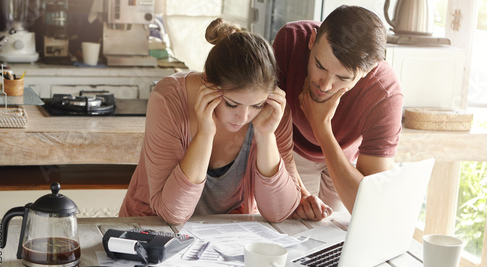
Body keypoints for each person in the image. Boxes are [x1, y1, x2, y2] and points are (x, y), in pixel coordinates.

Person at [119, 18, 301, 225]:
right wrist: (205, 133)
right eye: (232, 104)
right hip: (150, 231)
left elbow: (280, 212)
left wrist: (266, 136)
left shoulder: (273, 110)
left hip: (224, 238)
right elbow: (172, 213)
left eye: (256, 106)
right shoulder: (169, 98)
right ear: (207, 83)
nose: (243, 117)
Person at [273, 5, 403, 220]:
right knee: (290, 223)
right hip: (290, 147)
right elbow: (268, 132)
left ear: (368, 70)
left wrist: (321, 127)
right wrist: (300, 193)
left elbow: (372, 206)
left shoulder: (384, 93)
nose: (325, 85)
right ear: (312, 40)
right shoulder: (290, 40)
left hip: (344, 158)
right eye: (320, 65)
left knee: (333, 229)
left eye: (342, 78)